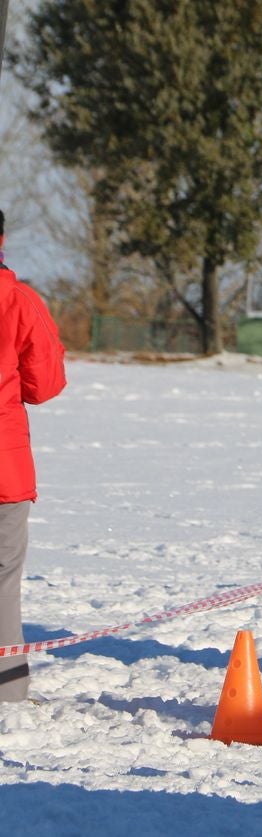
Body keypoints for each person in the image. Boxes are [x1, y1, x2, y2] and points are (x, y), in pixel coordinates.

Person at [0, 208, 68, 701]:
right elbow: (45, 384)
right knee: (2, 580)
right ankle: (7, 692)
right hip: (4, 468)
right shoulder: (19, 300)